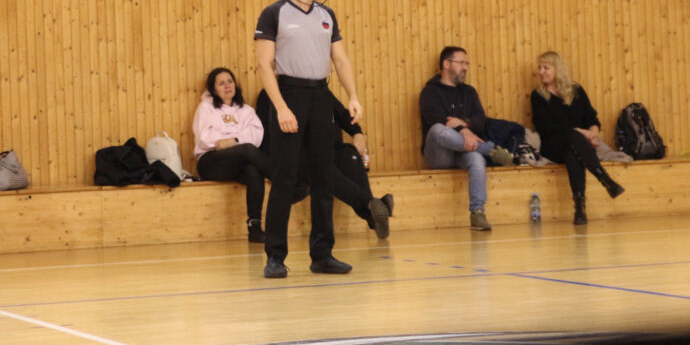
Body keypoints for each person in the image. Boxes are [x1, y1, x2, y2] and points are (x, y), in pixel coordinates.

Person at [254, 0, 363, 278]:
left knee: (324, 176)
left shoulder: (327, 15)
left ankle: (322, 255)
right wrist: (281, 107)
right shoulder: (274, 13)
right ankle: (275, 257)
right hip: (288, 94)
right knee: (285, 178)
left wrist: (352, 96)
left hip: (320, 96)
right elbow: (264, 65)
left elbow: (340, 60)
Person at [256, 88, 393, 238]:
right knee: (322, 166)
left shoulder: (317, 87)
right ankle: (371, 206)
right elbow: (266, 136)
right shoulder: (268, 96)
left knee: (350, 154)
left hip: (330, 148)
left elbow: (341, 113)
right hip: (300, 156)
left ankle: (373, 214)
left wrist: (357, 132)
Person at [418, 46, 519, 231]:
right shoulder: (429, 92)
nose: (465, 67)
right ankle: (489, 150)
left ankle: (477, 213)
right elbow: (436, 121)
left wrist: (463, 123)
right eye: (461, 63)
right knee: (438, 130)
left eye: (467, 63)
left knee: (477, 160)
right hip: (439, 155)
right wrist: (464, 130)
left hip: (464, 150)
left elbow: (480, 121)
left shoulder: (469, 92)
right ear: (446, 64)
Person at [531, 51, 625, 225]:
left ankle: (580, 210)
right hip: (553, 144)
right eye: (540, 68)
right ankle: (605, 179)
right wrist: (582, 133)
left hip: (576, 144)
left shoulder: (576, 90)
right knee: (573, 138)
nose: (541, 72)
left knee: (573, 154)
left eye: (546, 68)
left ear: (557, 69)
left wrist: (593, 133)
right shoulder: (538, 95)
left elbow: (592, 118)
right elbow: (546, 127)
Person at [193, 67, 269, 243]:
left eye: (230, 81)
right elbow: (206, 138)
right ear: (213, 89)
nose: (227, 86)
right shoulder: (205, 108)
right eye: (221, 83)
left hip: (237, 161)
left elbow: (256, 135)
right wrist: (234, 141)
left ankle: (255, 228)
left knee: (253, 170)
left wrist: (233, 140)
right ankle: (283, 178)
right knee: (247, 149)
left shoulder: (246, 110)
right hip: (211, 162)